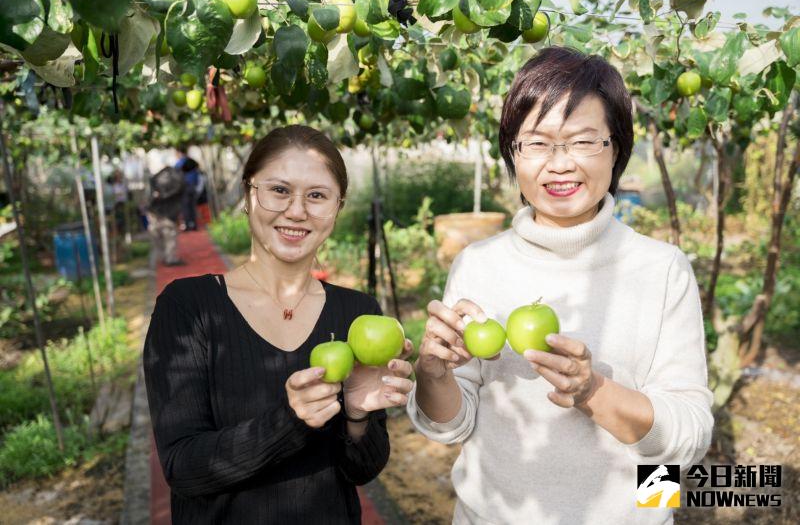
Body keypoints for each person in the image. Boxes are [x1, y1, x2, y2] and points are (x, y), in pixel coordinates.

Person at [407, 47, 713, 524]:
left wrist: (592, 391)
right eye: (537, 143)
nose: (560, 163)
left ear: (617, 148)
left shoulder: (662, 268)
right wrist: (433, 373)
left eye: (584, 141)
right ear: (513, 154)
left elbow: (689, 436)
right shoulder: (479, 264)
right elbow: (450, 428)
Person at [143, 125, 414, 524]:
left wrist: (356, 415)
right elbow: (183, 466)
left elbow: (362, 470)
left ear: (338, 207)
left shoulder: (358, 312)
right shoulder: (188, 308)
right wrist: (290, 422)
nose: (297, 211)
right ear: (248, 195)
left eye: (317, 196)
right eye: (279, 190)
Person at [146, 165, 184, 266]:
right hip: (167, 213)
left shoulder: (156, 181)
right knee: (169, 235)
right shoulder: (178, 182)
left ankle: (164, 257)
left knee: (158, 235)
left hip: (155, 211)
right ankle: (170, 258)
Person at [175, 145, 200, 231]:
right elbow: (196, 175)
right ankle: (194, 225)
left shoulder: (179, 164)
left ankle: (188, 225)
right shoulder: (192, 162)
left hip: (184, 188)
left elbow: (176, 178)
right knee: (192, 206)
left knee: (185, 207)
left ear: (179, 153)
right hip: (193, 187)